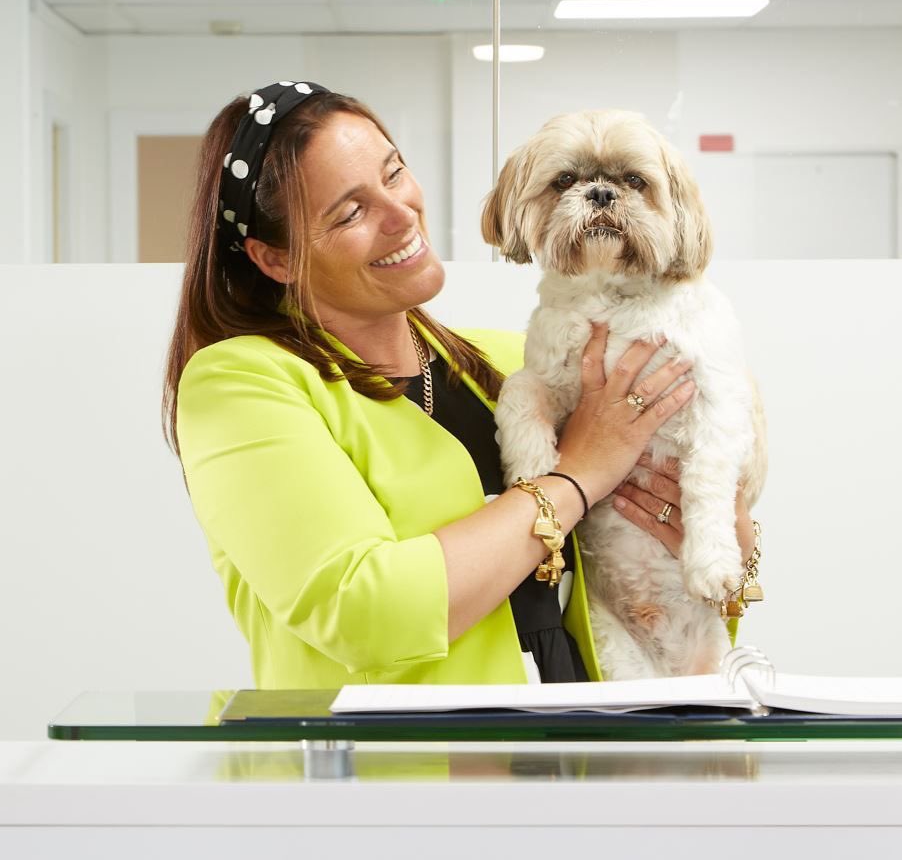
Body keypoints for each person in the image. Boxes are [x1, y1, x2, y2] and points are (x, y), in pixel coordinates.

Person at [163, 80, 756, 688]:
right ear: (276, 259)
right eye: (351, 211)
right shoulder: (239, 385)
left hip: (577, 745)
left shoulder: (504, 364)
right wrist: (580, 474)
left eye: (394, 174)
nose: (401, 216)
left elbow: (656, 574)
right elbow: (365, 614)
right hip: (388, 767)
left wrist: (726, 538)